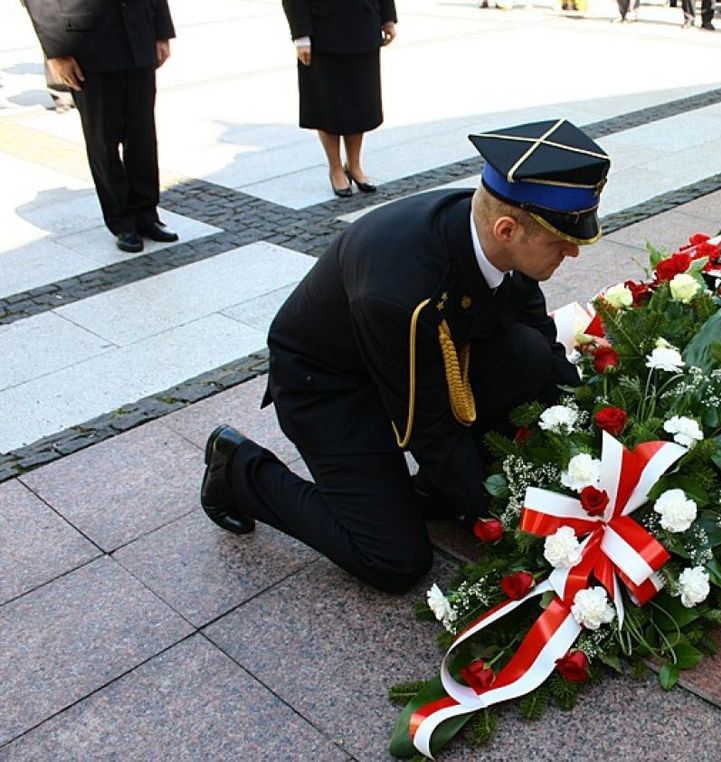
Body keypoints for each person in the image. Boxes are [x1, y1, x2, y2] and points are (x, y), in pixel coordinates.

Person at [199, 119, 609, 592]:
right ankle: (239, 471)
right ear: (506, 229)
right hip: (331, 386)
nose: (573, 253)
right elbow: (429, 429)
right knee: (394, 559)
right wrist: (507, 521)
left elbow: (535, 331)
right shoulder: (401, 296)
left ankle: (433, 490)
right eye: (562, 241)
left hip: (417, 358)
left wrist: (590, 429)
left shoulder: (502, 237)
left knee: (531, 354)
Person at [22, 0, 177, 254]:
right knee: (103, 140)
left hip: (138, 36)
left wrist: (162, 30)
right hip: (86, 45)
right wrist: (56, 51)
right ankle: (121, 221)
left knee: (143, 135)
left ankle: (147, 214)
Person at [283, 0, 397, 199]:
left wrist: (387, 18)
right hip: (323, 31)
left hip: (364, 23)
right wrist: (301, 34)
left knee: (360, 102)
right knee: (327, 103)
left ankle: (354, 165)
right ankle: (335, 168)